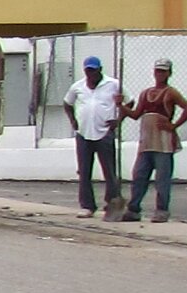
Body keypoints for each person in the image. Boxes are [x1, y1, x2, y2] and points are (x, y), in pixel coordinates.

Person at [116, 56, 182, 223]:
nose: (160, 74)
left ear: (169, 73)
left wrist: (174, 125)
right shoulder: (146, 93)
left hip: (163, 142)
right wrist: (120, 106)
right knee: (139, 175)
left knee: (162, 179)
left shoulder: (171, 93)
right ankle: (134, 209)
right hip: (146, 142)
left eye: (163, 72)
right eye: (158, 71)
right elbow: (136, 114)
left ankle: (162, 210)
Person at [66, 55, 124, 217]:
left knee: (109, 171)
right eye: (88, 71)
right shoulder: (78, 86)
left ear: (100, 70)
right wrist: (73, 120)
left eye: (94, 70)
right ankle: (87, 205)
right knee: (84, 171)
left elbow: (129, 102)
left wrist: (119, 119)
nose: (91, 74)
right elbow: (67, 103)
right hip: (84, 133)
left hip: (104, 132)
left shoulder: (113, 84)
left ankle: (112, 202)